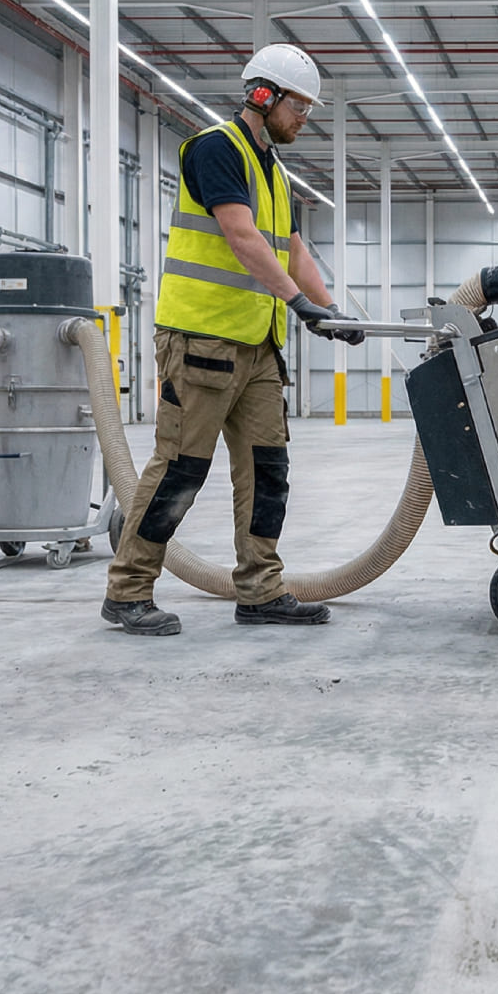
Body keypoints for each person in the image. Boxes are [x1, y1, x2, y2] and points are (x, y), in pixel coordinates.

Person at [102, 43, 366, 636]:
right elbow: (241, 237)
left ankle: (261, 591)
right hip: (201, 344)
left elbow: (292, 251)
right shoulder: (217, 149)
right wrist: (298, 304)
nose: (305, 118)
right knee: (179, 471)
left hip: (257, 348)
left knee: (268, 471)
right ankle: (128, 591)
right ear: (264, 96)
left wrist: (329, 309)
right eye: (300, 106)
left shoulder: (274, 171)